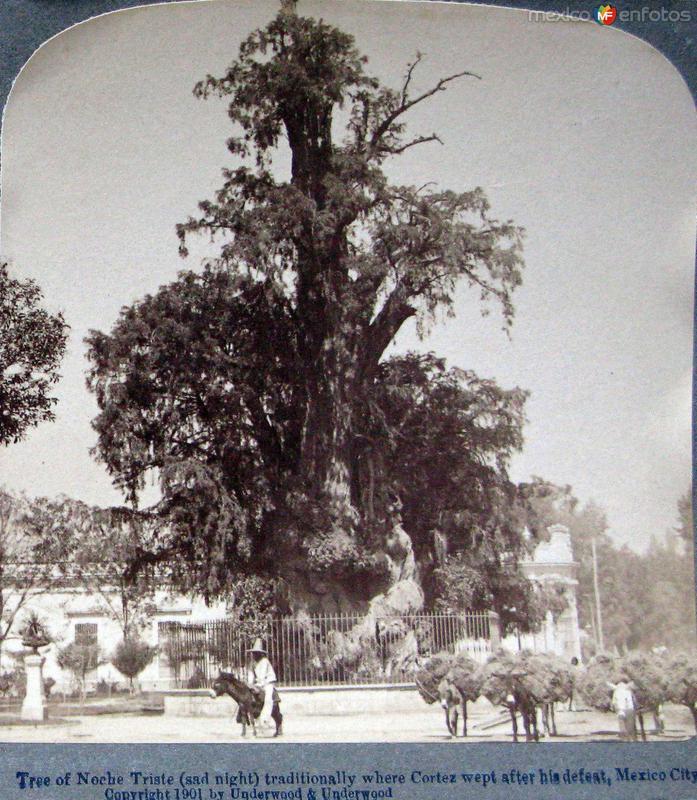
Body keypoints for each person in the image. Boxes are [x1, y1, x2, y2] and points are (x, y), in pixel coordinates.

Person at [247, 638, 276, 729]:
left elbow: (262, 676)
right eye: (253, 652)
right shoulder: (252, 662)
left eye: (256, 652)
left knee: (268, 699)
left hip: (268, 682)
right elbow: (250, 673)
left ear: (260, 653)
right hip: (258, 683)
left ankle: (265, 719)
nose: (254, 654)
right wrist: (249, 684)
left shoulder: (264, 661)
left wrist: (258, 685)